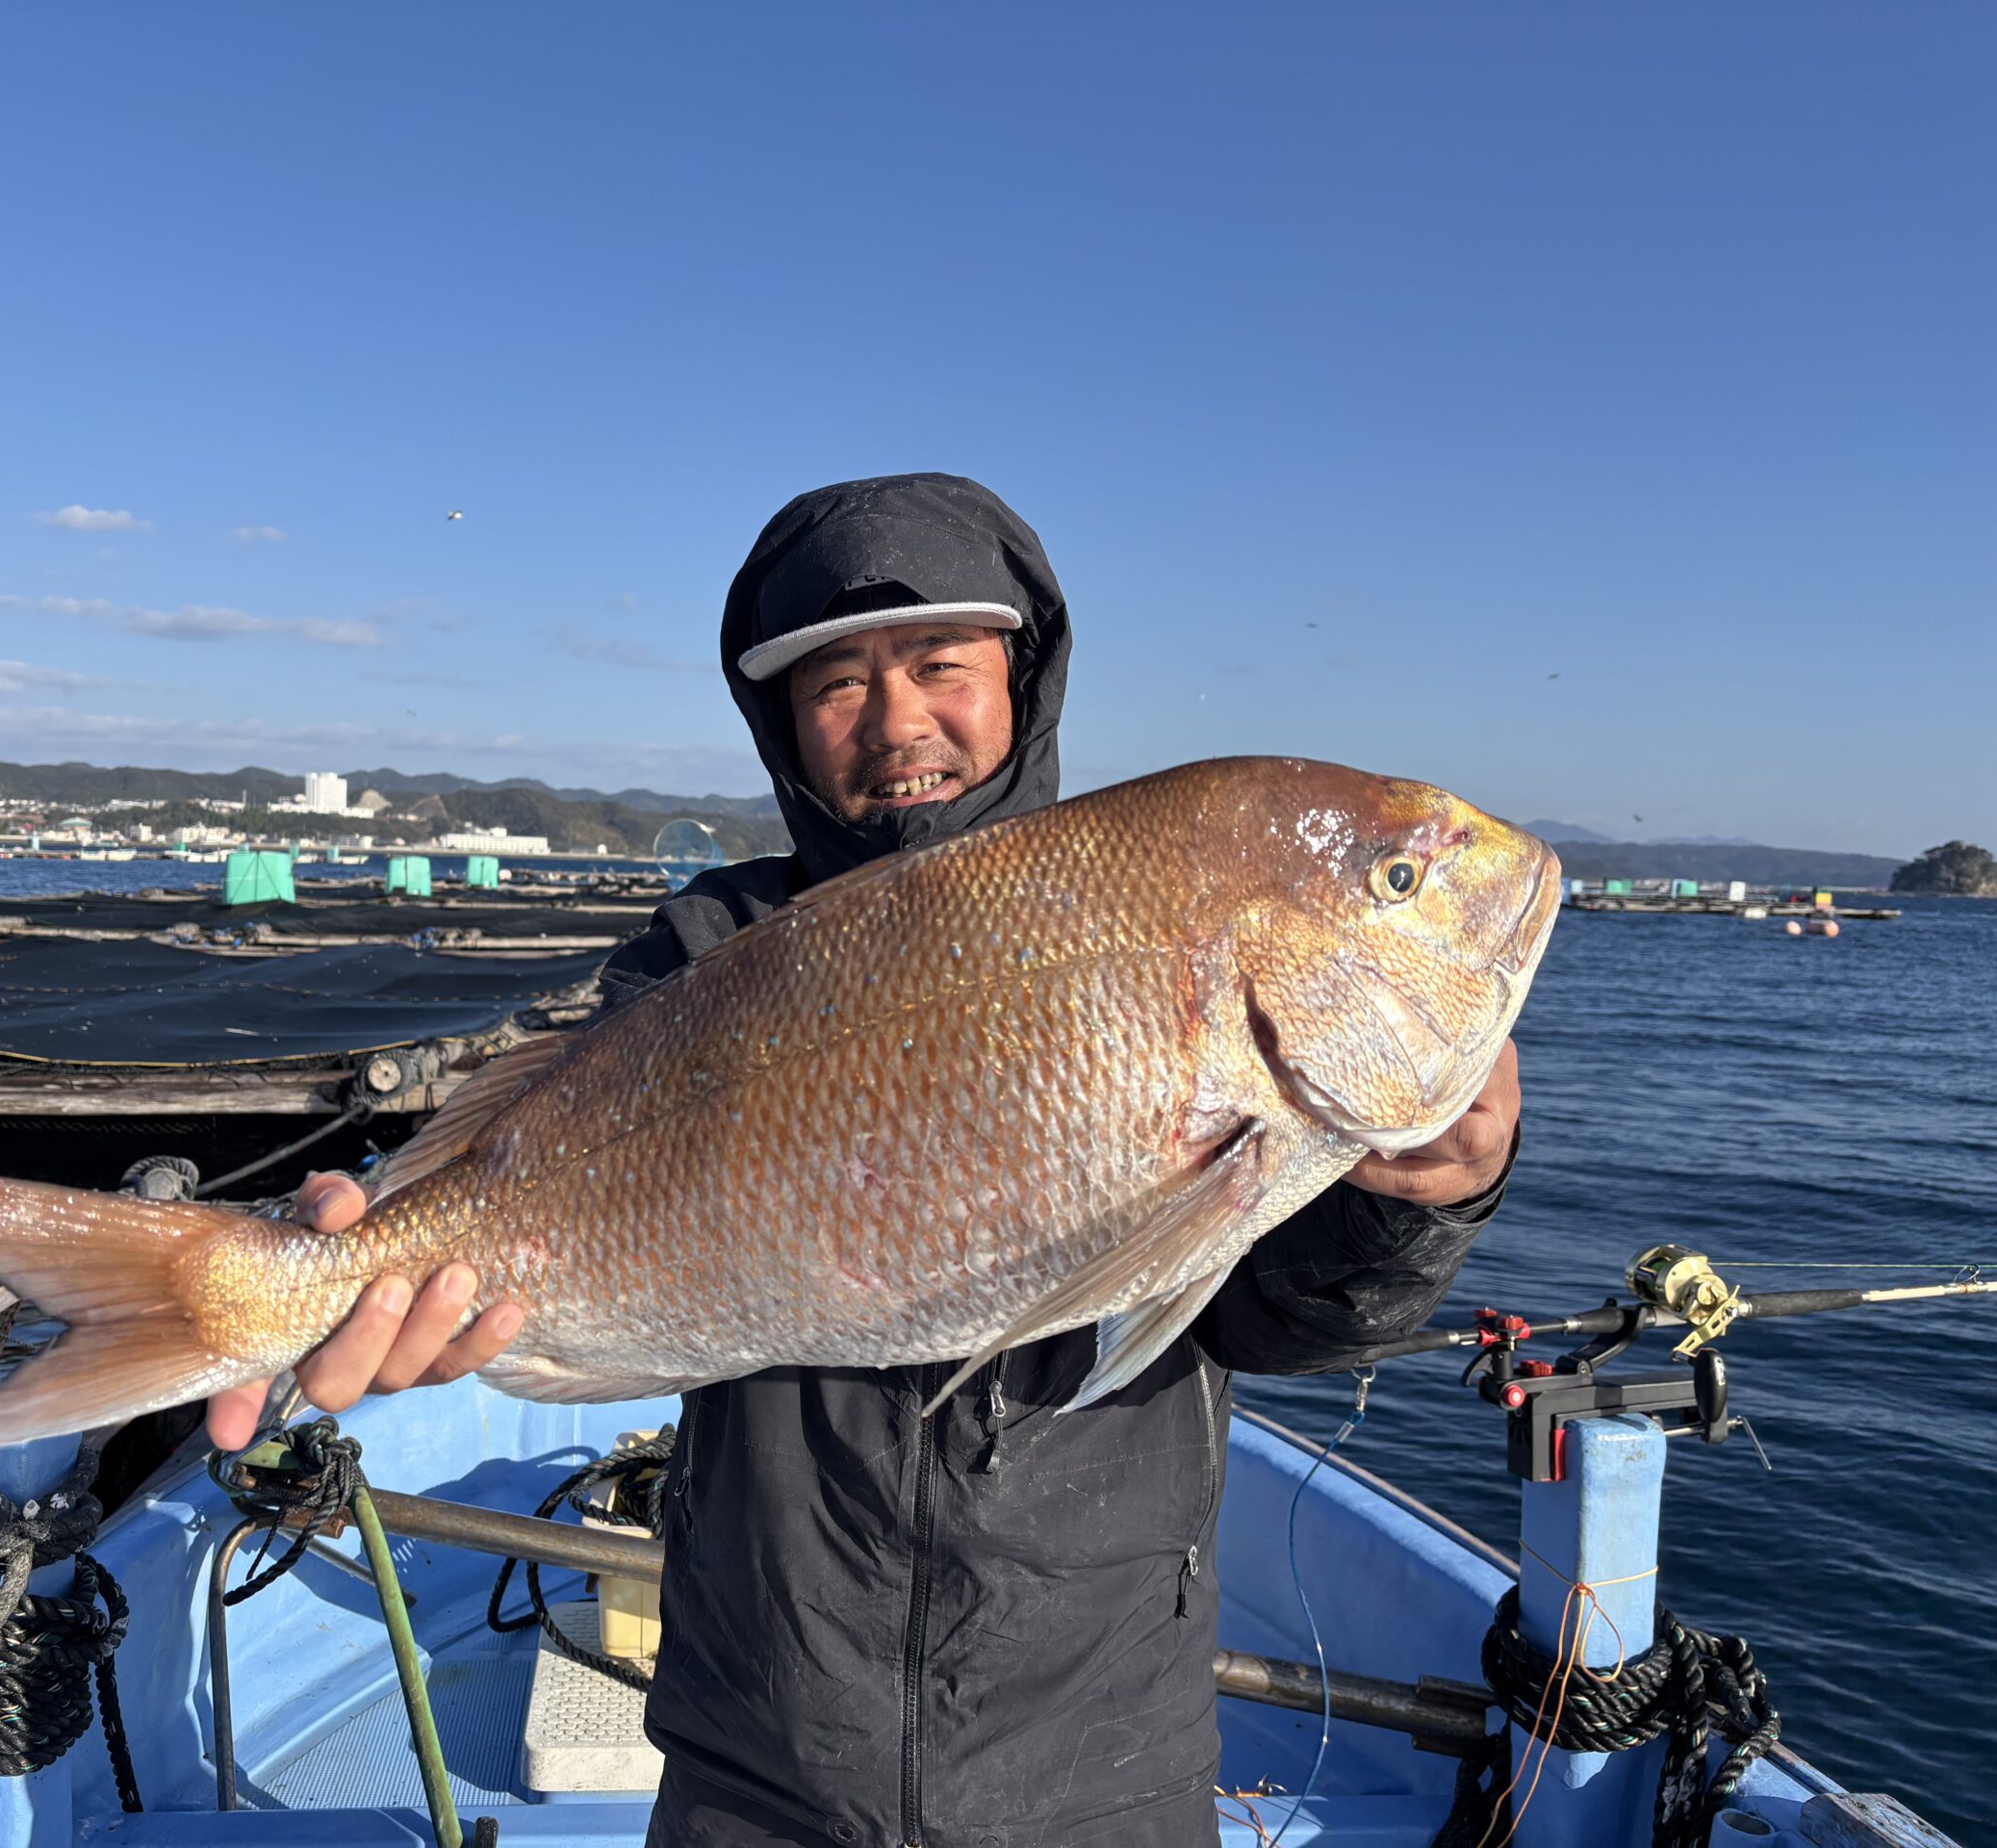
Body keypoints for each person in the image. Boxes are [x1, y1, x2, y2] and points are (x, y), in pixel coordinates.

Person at [204, 474, 1522, 1847]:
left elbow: (1288, 1315)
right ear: (780, 723)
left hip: (1101, 1761)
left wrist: (1418, 1202)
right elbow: (546, 1171)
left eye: (941, 667)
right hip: (760, 1754)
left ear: (1020, 675)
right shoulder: (704, 949)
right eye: (838, 685)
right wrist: (378, 1252)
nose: (899, 722)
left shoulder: (1149, 920)